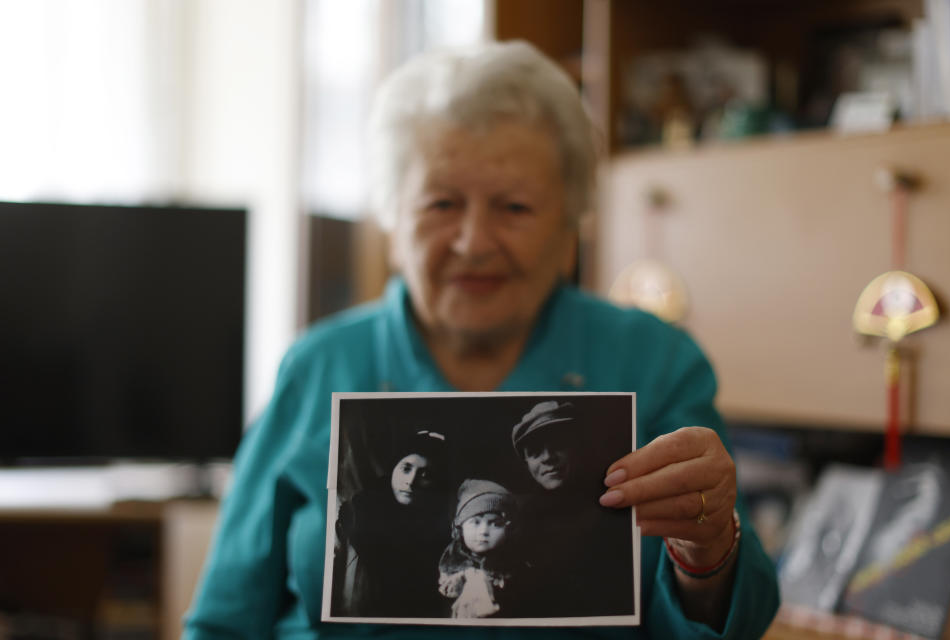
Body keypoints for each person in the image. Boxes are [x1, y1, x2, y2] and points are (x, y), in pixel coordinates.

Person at [184, 40, 780, 638]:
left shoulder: (655, 362)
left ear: (570, 225)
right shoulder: (320, 365)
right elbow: (224, 620)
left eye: (514, 207)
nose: (473, 241)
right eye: (441, 203)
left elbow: (739, 619)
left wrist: (706, 546)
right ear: (393, 222)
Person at [511, 400, 635, 617]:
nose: (548, 457)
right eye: (535, 452)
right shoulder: (518, 521)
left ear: (577, 447)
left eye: (557, 444)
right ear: (527, 464)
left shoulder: (615, 508)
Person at [331, 429, 451, 617]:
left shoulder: (441, 526)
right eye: (406, 468)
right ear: (394, 468)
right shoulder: (358, 512)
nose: (411, 482)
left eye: (425, 475)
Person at [438, 479, 528, 618]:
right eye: (475, 523)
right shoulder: (451, 567)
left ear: (508, 529)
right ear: (460, 528)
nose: (484, 531)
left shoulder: (516, 566)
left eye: (495, 524)